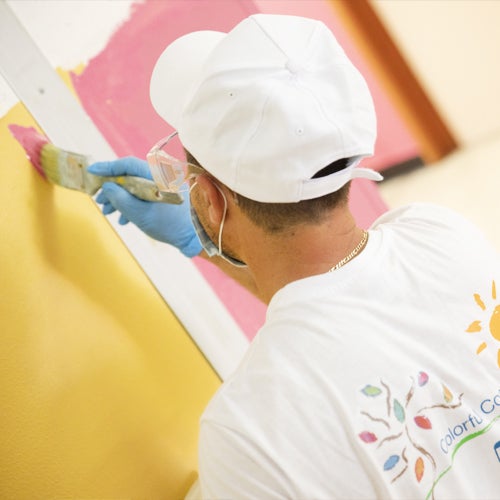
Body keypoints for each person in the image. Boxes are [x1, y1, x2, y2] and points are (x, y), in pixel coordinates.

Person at [88, 14, 500, 499]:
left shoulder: (250, 432)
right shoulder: (440, 235)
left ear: (212, 200)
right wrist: (202, 240)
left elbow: (317, 316)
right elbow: (331, 302)